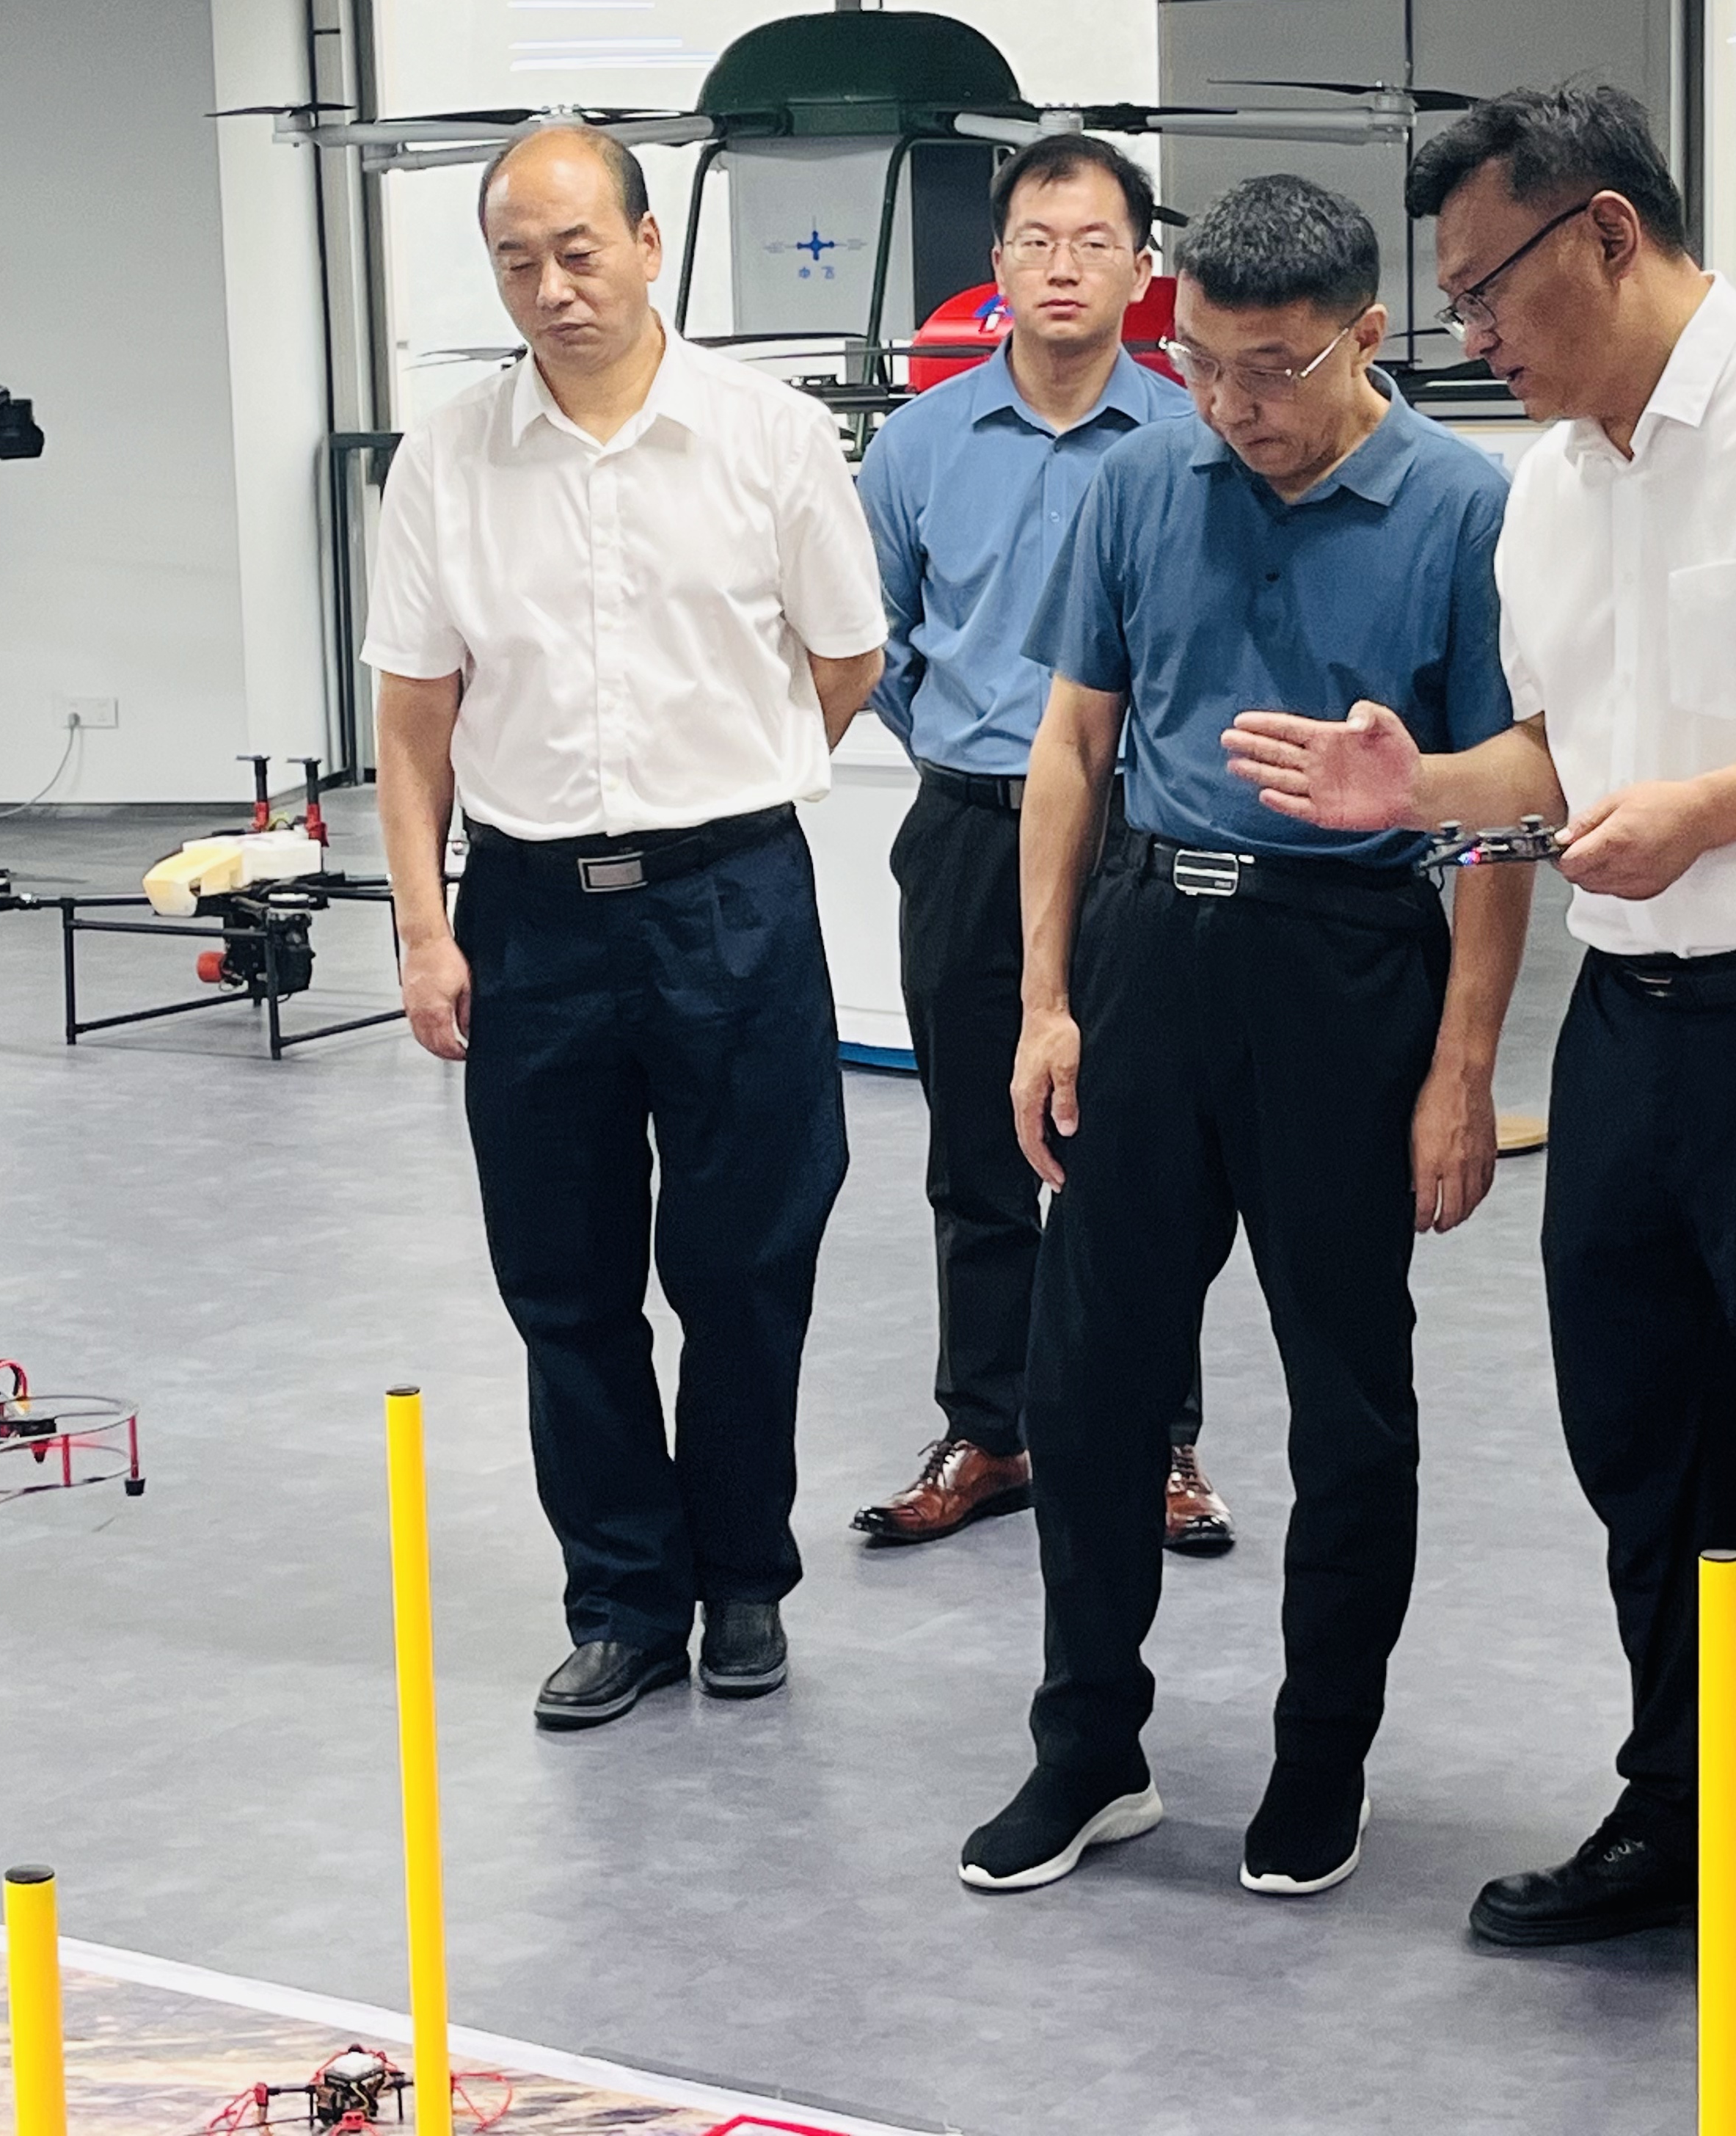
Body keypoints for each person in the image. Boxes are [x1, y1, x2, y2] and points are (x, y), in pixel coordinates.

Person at [1222, 84, 1736, 2056]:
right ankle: (1685, 1818)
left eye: (1488, 288)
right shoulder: (1558, 488)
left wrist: (1710, 813)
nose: (1470, 334)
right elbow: (1563, 761)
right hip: (1638, 1038)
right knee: (1650, 1460)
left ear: (1604, 233)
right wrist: (1422, 788)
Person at [956, 173, 1531, 1902]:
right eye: (1200, 363)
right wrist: (1046, 1001)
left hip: (1346, 964)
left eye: (1270, 370)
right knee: (1090, 1380)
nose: (1231, 405)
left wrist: (1463, 1072)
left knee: (1348, 1392)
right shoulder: (1145, 477)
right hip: (1149, 946)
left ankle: (1321, 1757)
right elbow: (1073, 745)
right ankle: (1087, 1750)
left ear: (1366, 335)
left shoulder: (1464, 510)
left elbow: (1501, 817)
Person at [367, 125, 886, 1734]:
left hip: (731, 897)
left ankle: (744, 1583)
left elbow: (847, 662)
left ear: (650, 246)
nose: (553, 288)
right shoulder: (447, 457)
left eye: (579, 251)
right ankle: (621, 1601)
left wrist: (721, 780)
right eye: (517, 261)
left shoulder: (769, 436)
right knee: (563, 1280)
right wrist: (425, 930)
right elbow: (413, 723)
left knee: (747, 1267)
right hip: (529, 915)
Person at [849, 134, 1229, 1557]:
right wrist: (965, 743)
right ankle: (992, 1430)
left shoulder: (1192, 436)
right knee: (974, 1149)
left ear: (1142, 268)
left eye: (1093, 242)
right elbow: (874, 642)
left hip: (1137, 840)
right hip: (967, 829)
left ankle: (1158, 1440)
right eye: (1035, 241)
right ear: (997, 264)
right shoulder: (918, 445)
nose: (1062, 267)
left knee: (1147, 1150)